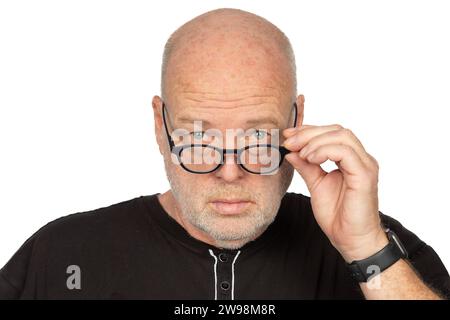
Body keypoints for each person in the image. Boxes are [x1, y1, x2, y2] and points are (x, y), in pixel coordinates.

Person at [1, 8, 449, 300]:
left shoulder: (382, 248)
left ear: (297, 120)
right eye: (201, 141)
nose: (230, 173)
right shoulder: (62, 254)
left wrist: (366, 251)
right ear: (161, 127)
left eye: (258, 139)